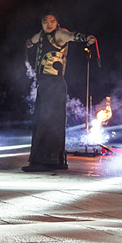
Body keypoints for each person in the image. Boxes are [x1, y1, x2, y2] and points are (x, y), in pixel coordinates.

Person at [24, 12, 96, 172]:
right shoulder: (41, 35)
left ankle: (43, 161)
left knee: (47, 121)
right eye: (45, 21)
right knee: (45, 121)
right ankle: (55, 160)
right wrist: (25, 45)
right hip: (44, 84)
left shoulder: (60, 33)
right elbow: (30, 42)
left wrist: (86, 38)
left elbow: (72, 36)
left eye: (52, 21)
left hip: (54, 85)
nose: (49, 24)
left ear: (57, 22)